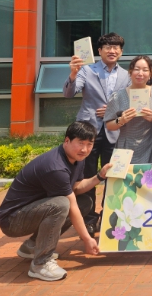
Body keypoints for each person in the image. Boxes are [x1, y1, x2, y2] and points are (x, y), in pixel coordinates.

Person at [0, 122, 109, 282]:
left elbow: (76, 188)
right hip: (12, 220)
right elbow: (70, 204)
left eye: (89, 144)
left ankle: (32, 246)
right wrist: (87, 239)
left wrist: (100, 176)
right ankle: (40, 264)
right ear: (67, 141)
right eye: (80, 143)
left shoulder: (77, 158)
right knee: (61, 205)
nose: (84, 149)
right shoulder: (55, 167)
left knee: (84, 202)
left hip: (32, 211)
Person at [63, 32, 129, 233]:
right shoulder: (86, 70)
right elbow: (69, 93)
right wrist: (73, 74)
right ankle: (89, 219)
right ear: (99, 51)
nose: (112, 50)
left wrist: (113, 110)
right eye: (108, 47)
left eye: (116, 47)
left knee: (113, 175)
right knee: (88, 175)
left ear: (121, 51)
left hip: (114, 131)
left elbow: (128, 102)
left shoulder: (126, 75)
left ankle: (109, 215)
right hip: (88, 133)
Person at [103, 56, 152, 164]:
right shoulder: (118, 96)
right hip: (126, 146)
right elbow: (109, 126)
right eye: (136, 69)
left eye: (145, 70)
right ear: (130, 72)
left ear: (151, 73)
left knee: (151, 174)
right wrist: (121, 120)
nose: (140, 73)